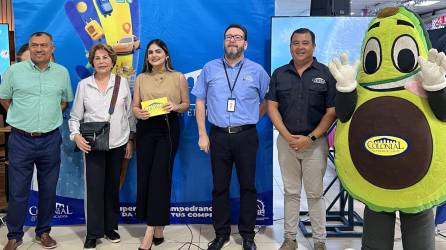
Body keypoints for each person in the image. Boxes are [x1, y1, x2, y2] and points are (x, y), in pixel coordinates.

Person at [192, 24, 270, 250]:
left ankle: (247, 236)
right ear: (224, 41)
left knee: (247, 187)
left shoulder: (257, 71)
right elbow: (200, 102)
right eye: (229, 37)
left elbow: (268, 100)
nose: (232, 40)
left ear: (245, 43)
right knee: (219, 187)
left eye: (238, 37)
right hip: (218, 136)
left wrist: (253, 117)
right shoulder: (209, 68)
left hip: (246, 135)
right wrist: (202, 134)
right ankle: (221, 234)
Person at [0, 31, 73, 250]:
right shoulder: (14, 71)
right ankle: (14, 234)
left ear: (52, 48)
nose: (39, 49)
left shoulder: (62, 73)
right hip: (20, 139)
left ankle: (43, 232)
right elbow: (4, 99)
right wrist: (21, 117)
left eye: (43, 45)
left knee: (48, 189)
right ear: (29, 47)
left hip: (50, 139)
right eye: (34, 45)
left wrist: (47, 117)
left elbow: (64, 101)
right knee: (18, 190)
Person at [266, 28, 336, 250]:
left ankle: (319, 241)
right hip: (286, 143)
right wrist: (287, 136)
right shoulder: (279, 73)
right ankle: (289, 239)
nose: (300, 47)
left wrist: (311, 138)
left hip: (315, 144)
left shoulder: (325, 74)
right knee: (291, 192)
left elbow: (331, 111)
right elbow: (271, 107)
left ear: (313, 46)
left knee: (315, 194)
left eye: (305, 43)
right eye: (295, 43)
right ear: (290, 47)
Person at [68, 43, 135, 250]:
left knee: (112, 187)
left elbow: (130, 115)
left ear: (112, 60)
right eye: (98, 58)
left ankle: (110, 227)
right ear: (92, 62)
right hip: (93, 145)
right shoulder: (84, 85)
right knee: (95, 189)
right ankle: (93, 232)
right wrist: (76, 136)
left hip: (118, 143)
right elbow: (74, 117)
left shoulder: (122, 83)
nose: (102, 61)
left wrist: (131, 139)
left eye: (106, 57)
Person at [132, 39, 189, 250]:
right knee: (145, 176)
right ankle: (158, 227)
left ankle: (149, 229)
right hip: (146, 129)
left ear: (166, 54)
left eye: (158, 51)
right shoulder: (140, 78)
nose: (153, 55)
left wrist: (175, 106)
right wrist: (138, 112)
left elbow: (185, 105)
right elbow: (134, 107)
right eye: (150, 53)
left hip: (168, 129)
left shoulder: (178, 77)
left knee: (160, 177)